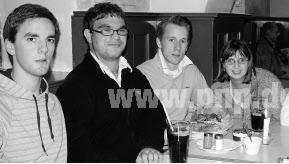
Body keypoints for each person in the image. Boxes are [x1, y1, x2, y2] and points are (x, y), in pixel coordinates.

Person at [56, 2, 166, 162]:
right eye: (106, 30)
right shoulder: (76, 86)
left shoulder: (134, 76)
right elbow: (78, 148)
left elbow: (153, 115)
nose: (116, 36)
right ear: (88, 35)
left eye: (121, 30)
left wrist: (149, 146)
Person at [0, 4, 67, 162]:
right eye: (32, 39)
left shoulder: (53, 102)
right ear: (10, 45)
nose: (44, 49)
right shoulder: (3, 106)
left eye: (50, 40)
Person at [137, 15, 229, 124]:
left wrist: (214, 113)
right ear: (159, 42)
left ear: (187, 46)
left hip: (182, 136)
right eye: (172, 40)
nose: (178, 47)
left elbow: (211, 104)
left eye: (183, 41)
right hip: (151, 139)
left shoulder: (191, 71)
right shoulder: (140, 74)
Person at [212, 39, 283, 127]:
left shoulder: (268, 82)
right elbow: (215, 118)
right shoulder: (218, 89)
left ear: (249, 62)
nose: (236, 66)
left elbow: (281, 119)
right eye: (231, 60)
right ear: (223, 64)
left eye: (241, 60)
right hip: (233, 139)